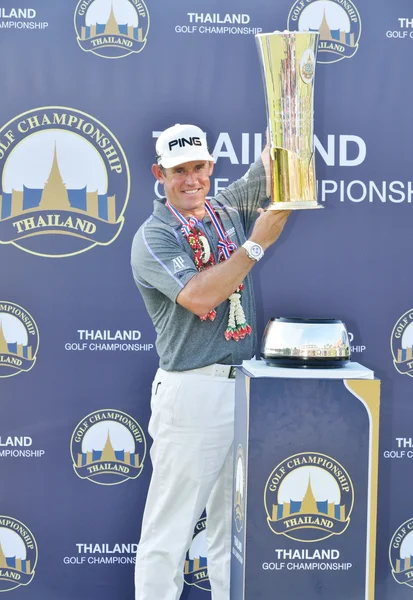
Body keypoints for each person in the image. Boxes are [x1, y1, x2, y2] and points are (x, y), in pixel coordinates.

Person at [131, 123, 290, 600]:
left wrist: (290, 103)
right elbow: (199, 295)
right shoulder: (154, 236)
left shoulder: (225, 208)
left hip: (242, 388)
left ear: (210, 168)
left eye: (199, 167)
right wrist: (256, 245)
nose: (191, 180)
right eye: (179, 171)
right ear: (160, 174)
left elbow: (273, 163)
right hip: (191, 394)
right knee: (169, 534)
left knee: (232, 534)